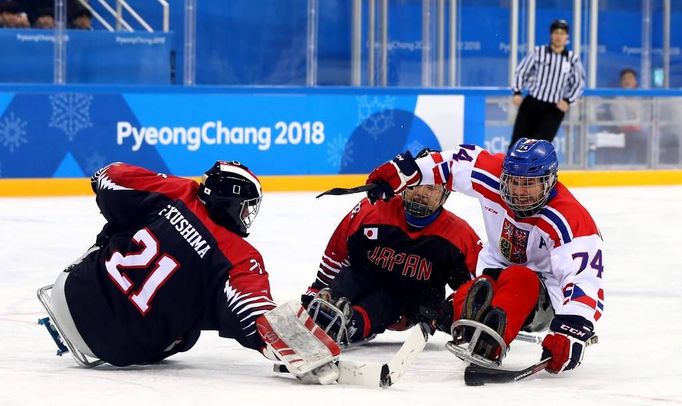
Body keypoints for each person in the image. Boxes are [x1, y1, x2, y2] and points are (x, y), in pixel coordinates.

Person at [37, 161, 340, 383]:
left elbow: (108, 178)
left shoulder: (179, 191)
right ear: (231, 203)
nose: (248, 215)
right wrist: (303, 349)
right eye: (247, 207)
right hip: (116, 347)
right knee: (190, 328)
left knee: (125, 225)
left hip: (70, 290)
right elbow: (256, 316)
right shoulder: (241, 257)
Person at [365, 139, 604, 375]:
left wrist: (572, 328)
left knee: (520, 277)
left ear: (550, 180)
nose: (519, 192)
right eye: (514, 182)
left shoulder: (570, 218)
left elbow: (584, 278)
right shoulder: (492, 175)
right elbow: (450, 163)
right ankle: (471, 324)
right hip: (494, 276)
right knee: (473, 291)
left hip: (542, 297)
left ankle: (490, 343)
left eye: (530, 184)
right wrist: (405, 171)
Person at [302, 149, 482, 346]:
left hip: (411, 300)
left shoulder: (459, 235)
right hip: (365, 277)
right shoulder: (373, 209)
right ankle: (324, 306)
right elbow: (338, 250)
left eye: (431, 188)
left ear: (445, 194)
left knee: (385, 300)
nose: (421, 193)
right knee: (351, 277)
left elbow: (479, 284)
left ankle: (351, 323)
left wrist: (449, 312)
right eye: (417, 185)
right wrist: (319, 288)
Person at [511, 19, 585, 149]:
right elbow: (521, 71)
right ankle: (509, 169)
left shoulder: (572, 59)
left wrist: (568, 100)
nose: (559, 36)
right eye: (556, 32)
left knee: (540, 146)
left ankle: (533, 170)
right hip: (532, 104)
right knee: (519, 141)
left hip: (554, 109)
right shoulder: (538, 52)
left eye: (562, 33)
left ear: (567, 36)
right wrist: (517, 92)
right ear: (551, 35)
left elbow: (579, 83)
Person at [609, 68, 647, 164]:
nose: (627, 81)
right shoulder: (617, 101)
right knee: (637, 138)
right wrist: (634, 126)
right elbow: (621, 122)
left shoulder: (641, 99)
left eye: (630, 78)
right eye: (625, 78)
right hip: (624, 133)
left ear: (635, 81)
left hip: (641, 131)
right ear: (621, 83)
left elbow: (644, 118)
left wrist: (639, 126)